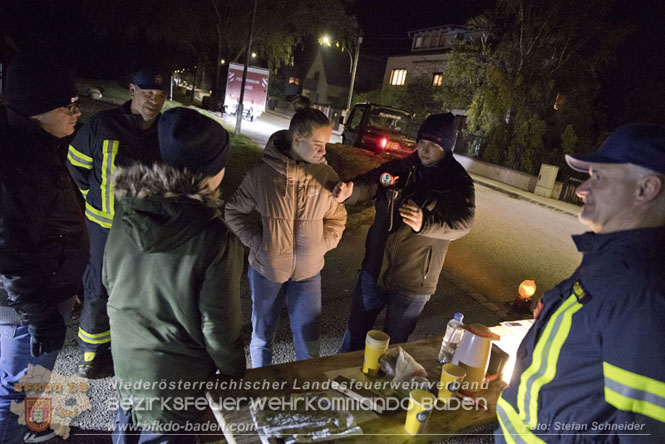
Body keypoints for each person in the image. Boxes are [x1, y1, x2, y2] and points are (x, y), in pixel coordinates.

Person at [495, 123, 665, 443]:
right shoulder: (612, 259)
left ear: (646, 189)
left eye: (598, 177)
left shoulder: (640, 289)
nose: (581, 189)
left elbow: (646, 434)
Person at [104, 107, 246, 442]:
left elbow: (108, 280)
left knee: (127, 430)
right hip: (177, 386)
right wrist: (233, 373)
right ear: (214, 170)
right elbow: (220, 326)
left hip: (127, 366)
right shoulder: (214, 237)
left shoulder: (128, 210)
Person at [0, 52, 89, 443]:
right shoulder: (23, 164)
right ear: (37, 110)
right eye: (67, 105)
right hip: (31, 305)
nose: (76, 113)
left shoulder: (38, 148)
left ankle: (34, 428)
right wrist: (39, 314)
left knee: (31, 381)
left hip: (46, 293)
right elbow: (11, 249)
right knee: (18, 387)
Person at [334, 113, 475, 351]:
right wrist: (351, 191)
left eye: (433, 145)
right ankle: (341, 382)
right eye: (421, 143)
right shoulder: (401, 167)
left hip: (414, 282)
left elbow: (463, 223)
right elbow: (371, 182)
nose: (424, 150)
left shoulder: (457, 181)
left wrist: (425, 222)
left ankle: (382, 388)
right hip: (375, 270)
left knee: (394, 345)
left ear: (447, 147)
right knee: (355, 333)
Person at [225, 96, 346, 368]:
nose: (323, 151)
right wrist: (258, 244)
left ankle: (307, 396)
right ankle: (264, 393)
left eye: (325, 144)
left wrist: (321, 245)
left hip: (308, 274)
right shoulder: (260, 174)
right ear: (298, 138)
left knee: (308, 342)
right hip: (267, 271)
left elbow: (338, 217)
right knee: (262, 336)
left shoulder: (326, 175)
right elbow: (233, 211)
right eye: (318, 145)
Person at [66, 67, 167, 378]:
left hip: (143, 231)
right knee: (97, 290)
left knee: (135, 292)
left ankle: (123, 350)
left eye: (161, 96)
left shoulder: (166, 133)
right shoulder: (102, 125)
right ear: (132, 90)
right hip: (103, 228)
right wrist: (92, 197)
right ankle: (91, 356)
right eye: (148, 93)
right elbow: (77, 165)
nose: (154, 100)